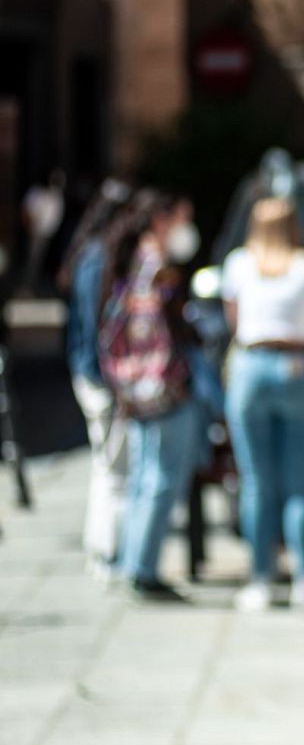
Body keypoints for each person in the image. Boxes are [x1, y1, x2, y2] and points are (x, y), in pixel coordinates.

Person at [221, 197, 304, 612]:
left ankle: (261, 578)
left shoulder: (238, 264)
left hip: (251, 365)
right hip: (297, 364)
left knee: (256, 482)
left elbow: (234, 324)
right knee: (299, 483)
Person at [97, 190, 203, 601]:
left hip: (136, 388)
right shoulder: (156, 269)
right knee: (159, 479)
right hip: (160, 389)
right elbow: (153, 333)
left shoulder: (132, 262)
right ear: (162, 221)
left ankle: (133, 563)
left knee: (144, 475)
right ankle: (142, 569)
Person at [63, 179, 135, 582]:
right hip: (99, 377)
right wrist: (113, 381)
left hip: (92, 373)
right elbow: (95, 328)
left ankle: (102, 549)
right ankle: (108, 552)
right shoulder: (97, 259)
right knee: (112, 468)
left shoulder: (91, 254)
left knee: (105, 465)